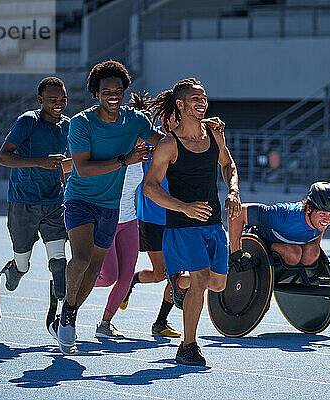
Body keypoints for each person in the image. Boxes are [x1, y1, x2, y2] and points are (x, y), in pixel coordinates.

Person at [49, 60, 164, 355]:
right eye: (105, 90)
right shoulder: (81, 123)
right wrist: (126, 159)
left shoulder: (135, 121)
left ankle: (69, 310)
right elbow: (83, 169)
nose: (112, 94)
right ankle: (69, 315)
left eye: (118, 90)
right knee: (83, 258)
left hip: (111, 208)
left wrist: (200, 133)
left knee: (98, 269)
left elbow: (164, 143)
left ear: (125, 91)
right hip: (80, 200)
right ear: (95, 93)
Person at [144, 78, 241, 366]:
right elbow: (150, 187)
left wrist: (233, 190)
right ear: (181, 104)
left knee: (219, 284)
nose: (202, 102)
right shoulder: (168, 144)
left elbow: (228, 164)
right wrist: (183, 207)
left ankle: (178, 282)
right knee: (200, 281)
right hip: (182, 226)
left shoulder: (214, 134)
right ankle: (188, 346)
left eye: (204, 97)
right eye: (195, 98)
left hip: (213, 225)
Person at [0, 76, 72, 303]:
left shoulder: (67, 125)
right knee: (22, 260)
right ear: (40, 99)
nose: (58, 103)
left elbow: (61, 164)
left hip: (54, 201)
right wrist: (40, 162)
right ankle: (16, 270)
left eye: (63, 98)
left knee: (59, 260)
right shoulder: (28, 121)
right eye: (52, 99)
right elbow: (2, 157)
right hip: (23, 201)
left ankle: (63, 304)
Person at [119, 92, 181, 338]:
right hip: (153, 217)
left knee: (178, 272)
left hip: (178, 216)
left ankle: (160, 322)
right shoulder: (150, 137)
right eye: (174, 118)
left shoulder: (185, 140)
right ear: (165, 118)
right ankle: (131, 282)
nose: (177, 122)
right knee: (160, 274)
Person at [93, 143, 144, 339]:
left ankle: (105, 324)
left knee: (126, 277)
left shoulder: (143, 153)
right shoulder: (110, 149)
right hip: (105, 220)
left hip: (129, 221)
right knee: (108, 277)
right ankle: (70, 284)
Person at [227, 181, 330, 269]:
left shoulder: (321, 221)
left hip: (290, 241)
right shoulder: (283, 215)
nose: (327, 219)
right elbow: (239, 212)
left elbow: (316, 236)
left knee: (313, 252)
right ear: (308, 208)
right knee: (294, 254)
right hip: (262, 238)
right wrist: (235, 253)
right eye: (322, 213)